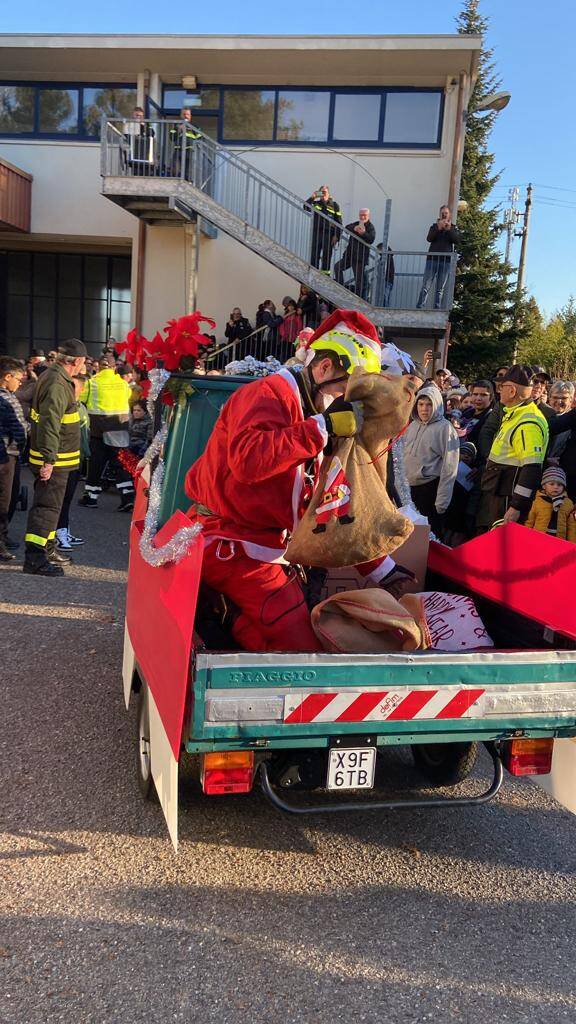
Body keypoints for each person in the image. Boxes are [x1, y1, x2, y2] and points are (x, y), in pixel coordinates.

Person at [185, 309, 416, 653]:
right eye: (343, 388)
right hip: (232, 543)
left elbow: (328, 505)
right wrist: (320, 429)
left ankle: (226, 617)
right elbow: (248, 461)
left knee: (272, 632)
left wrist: (383, 568)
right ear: (323, 367)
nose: (345, 401)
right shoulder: (267, 395)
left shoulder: (316, 413)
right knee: (297, 640)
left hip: (266, 546)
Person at [23, 339, 87, 576]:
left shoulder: (52, 377)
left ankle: (47, 548)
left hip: (57, 457)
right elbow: (51, 422)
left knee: (52, 508)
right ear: (77, 361)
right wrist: (49, 459)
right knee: (46, 508)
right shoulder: (58, 384)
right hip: (54, 459)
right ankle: (35, 559)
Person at [476, 365, 549, 532]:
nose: (499, 390)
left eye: (502, 386)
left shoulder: (527, 423)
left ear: (512, 391)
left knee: (503, 548)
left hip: (508, 498)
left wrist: (516, 506)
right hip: (500, 492)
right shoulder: (515, 414)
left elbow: (532, 468)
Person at [78, 353, 134, 511]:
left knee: (96, 464)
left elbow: (81, 398)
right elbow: (128, 397)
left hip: (98, 430)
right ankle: (128, 497)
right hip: (119, 428)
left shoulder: (92, 382)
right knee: (121, 463)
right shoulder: (123, 384)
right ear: (114, 367)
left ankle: (91, 498)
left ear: (98, 367)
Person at [403, 384, 460, 537]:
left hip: (429, 491)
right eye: (421, 404)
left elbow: (450, 467)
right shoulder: (412, 425)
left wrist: (442, 501)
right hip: (408, 489)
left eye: (429, 404)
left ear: (437, 405)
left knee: (429, 536)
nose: (424, 409)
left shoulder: (445, 428)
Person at [55, 374, 90, 551]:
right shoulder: (66, 406)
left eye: (73, 386)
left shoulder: (80, 407)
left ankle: (64, 529)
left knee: (68, 499)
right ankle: (59, 533)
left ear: (81, 389)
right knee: (61, 499)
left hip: (78, 459)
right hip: (65, 460)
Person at [0, 358, 27, 562]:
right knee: (3, 499)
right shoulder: (3, 399)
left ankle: (3, 535)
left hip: (12, 453)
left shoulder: (9, 395)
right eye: (18, 378)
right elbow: (17, 426)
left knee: (10, 497)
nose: (20, 382)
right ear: (7, 377)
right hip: (5, 455)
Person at [417, 205, 461, 310]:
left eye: (446, 213)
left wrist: (449, 229)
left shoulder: (453, 227)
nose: (444, 214)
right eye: (442, 213)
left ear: (449, 214)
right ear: (439, 214)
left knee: (440, 288)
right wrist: (438, 228)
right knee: (426, 286)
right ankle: (420, 306)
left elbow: (457, 240)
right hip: (432, 260)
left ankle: (437, 308)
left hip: (445, 262)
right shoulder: (434, 226)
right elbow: (429, 238)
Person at [525, 465, 576, 542]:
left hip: (560, 541)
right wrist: (526, 538)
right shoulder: (537, 501)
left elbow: (571, 526)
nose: (556, 487)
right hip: (538, 540)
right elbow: (530, 521)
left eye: (559, 484)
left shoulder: (568, 503)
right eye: (552, 484)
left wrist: (572, 545)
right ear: (544, 486)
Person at [334, 208, 376, 296]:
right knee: (337, 267)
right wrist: (355, 228)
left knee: (359, 281)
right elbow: (347, 227)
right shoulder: (357, 223)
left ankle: (358, 298)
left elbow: (371, 239)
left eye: (364, 215)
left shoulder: (370, 227)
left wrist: (363, 233)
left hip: (360, 258)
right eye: (361, 215)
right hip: (349, 255)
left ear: (368, 216)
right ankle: (340, 287)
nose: (362, 217)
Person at [305, 185, 342, 272]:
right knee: (314, 255)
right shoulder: (316, 203)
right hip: (317, 232)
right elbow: (305, 207)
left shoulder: (334, 205)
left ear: (329, 194)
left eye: (325, 192)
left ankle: (325, 277)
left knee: (327, 256)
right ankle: (313, 273)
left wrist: (337, 236)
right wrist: (312, 197)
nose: (323, 194)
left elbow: (339, 222)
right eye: (321, 192)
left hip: (329, 234)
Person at [169, 108, 202, 181]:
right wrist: (179, 130)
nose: (186, 116)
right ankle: (176, 185)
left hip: (189, 151)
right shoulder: (176, 126)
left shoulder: (195, 126)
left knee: (188, 172)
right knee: (175, 170)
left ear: (190, 116)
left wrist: (192, 129)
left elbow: (201, 138)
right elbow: (172, 137)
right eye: (184, 114)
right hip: (178, 150)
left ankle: (187, 184)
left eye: (187, 114)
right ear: (181, 115)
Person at [123, 106, 155, 176]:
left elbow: (152, 134)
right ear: (133, 115)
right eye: (137, 115)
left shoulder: (146, 124)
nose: (139, 117)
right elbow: (126, 136)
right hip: (135, 152)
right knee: (136, 173)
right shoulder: (128, 124)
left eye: (140, 116)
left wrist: (143, 125)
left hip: (145, 153)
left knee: (147, 173)